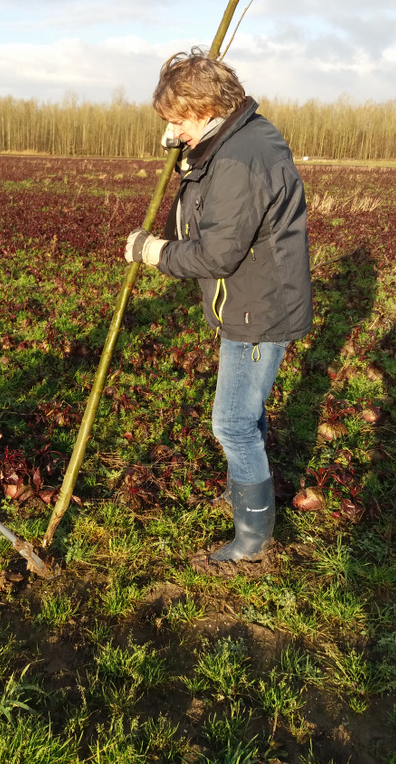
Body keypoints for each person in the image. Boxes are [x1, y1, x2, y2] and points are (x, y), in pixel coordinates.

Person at [125, 48, 312, 572]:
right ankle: (246, 494)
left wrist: (152, 250)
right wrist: (190, 152)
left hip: (259, 309)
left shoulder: (236, 157)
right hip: (258, 298)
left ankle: (253, 539)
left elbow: (215, 252)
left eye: (180, 120)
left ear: (208, 109)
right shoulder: (238, 139)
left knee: (231, 424)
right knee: (246, 417)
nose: (176, 131)